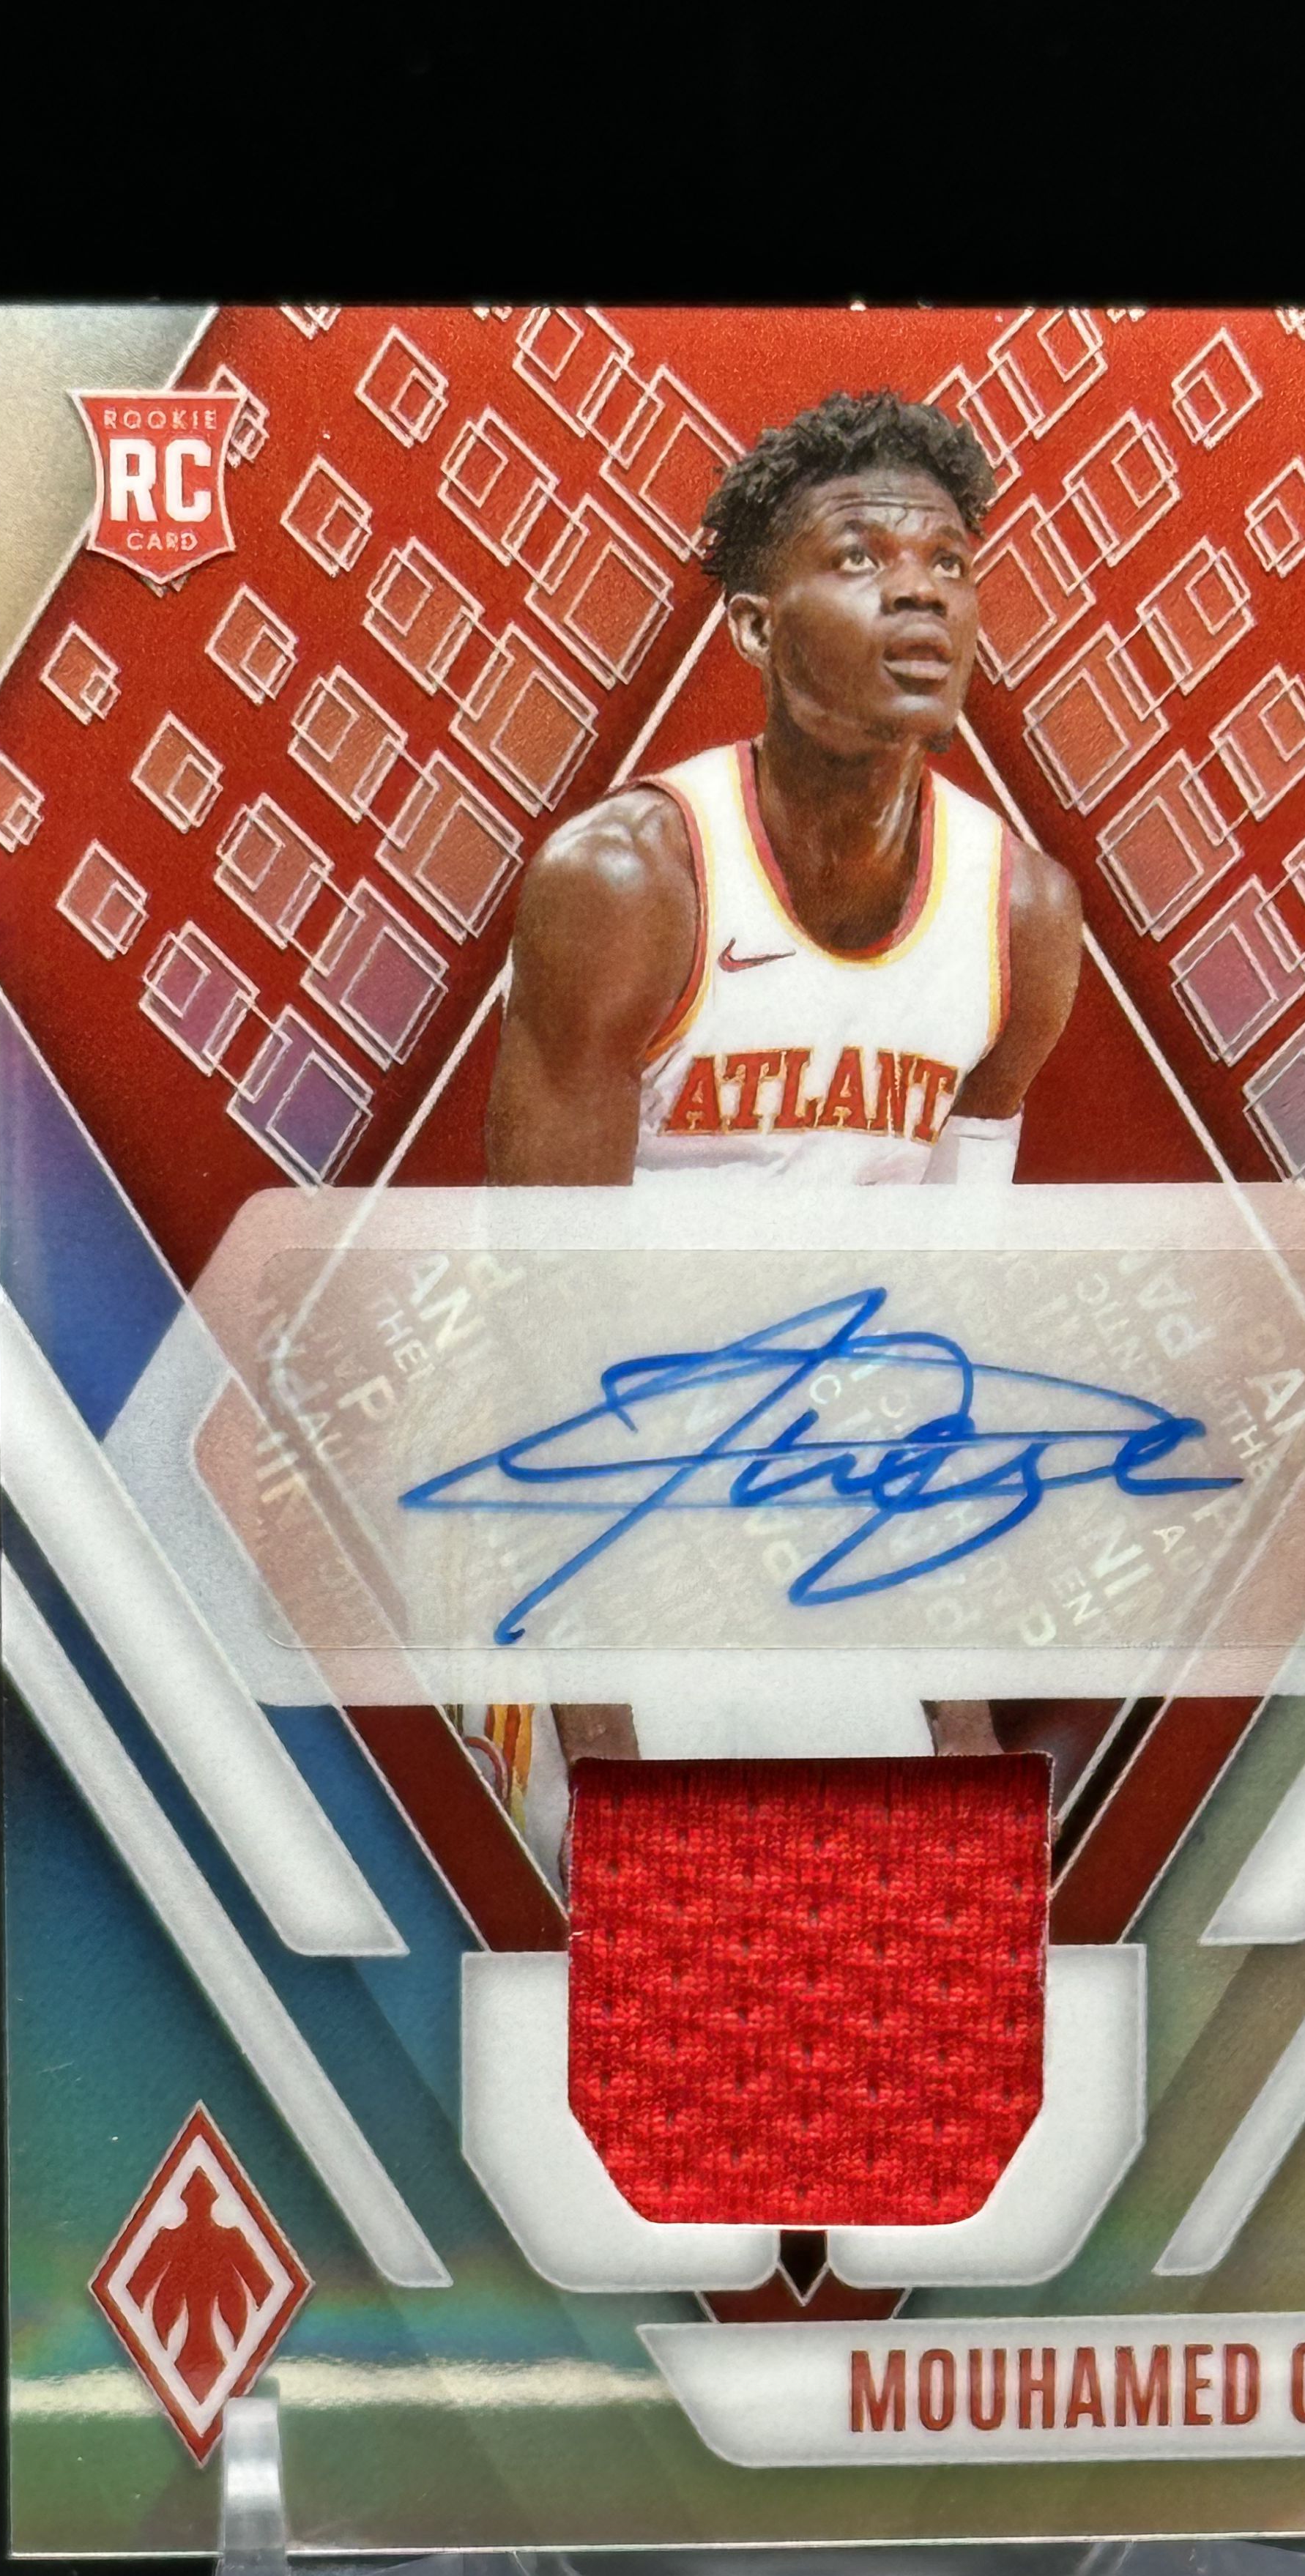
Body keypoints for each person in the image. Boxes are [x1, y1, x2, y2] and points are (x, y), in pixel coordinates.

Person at [468, 390, 1082, 1815]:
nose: (920, 590)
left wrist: (960, 1720)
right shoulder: (629, 882)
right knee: (610, 1945)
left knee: (877, 1931)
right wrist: (604, 1749)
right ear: (754, 626)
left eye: (948, 561)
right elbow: (538, 1337)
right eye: (861, 558)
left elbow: (948, 1334)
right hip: (609, 1522)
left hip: (837, 1517)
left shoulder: (1022, 916)